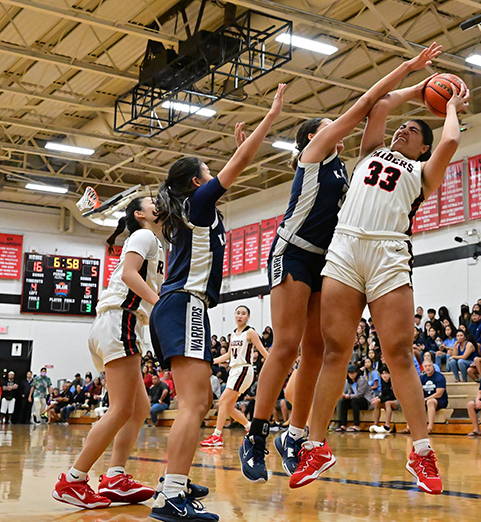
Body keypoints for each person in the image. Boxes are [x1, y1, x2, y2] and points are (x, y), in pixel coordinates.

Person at [240, 48, 441, 483]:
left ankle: (294, 435)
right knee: (287, 344)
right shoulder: (316, 153)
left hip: (329, 262)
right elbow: (369, 104)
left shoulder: (351, 171)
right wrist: (412, 77)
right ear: (316, 135)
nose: (338, 127)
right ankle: (255, 435)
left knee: (320, 350)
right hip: (293, 252)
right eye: (329, 125)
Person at [291, 50, 468, 496]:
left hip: (389, 251)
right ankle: (315, 446)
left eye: (415, 131)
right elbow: (382, 106)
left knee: (399, 354)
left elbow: (449, 144)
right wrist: (418, 89)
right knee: (335, 349)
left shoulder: (424, 171)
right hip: (345, 247)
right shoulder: (371, 152)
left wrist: (448, 109)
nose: (406, 128)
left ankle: (421, 451)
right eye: (406, 127)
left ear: (421, 147)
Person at [149, 86, 285, 521]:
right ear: (196, 182)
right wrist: (270, 116)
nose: (214, 176)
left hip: (181, 306)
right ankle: (171, 496)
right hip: (184, 303)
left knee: (198, 403)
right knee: (194, 404)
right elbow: (240, 165)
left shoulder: (194, 209)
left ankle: (176, 483)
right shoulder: (198, 204)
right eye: (208, 172)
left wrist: (240, 139)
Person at [52, 195, 165, 509]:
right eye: (152, 201)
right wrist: (162, 305)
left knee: (138, 408)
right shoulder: (143, 235)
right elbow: (130, 274)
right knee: (120, 410)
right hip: (121, 320)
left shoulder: (155, 240)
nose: (159, 203)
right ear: (140, 214)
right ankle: (73, 480)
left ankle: (115, 476)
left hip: (119, 324)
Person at [200, 306, 269, 447]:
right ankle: (250, 427)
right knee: (229, 407)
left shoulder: (250, 332)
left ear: (248, 317)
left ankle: (217, 436)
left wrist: (278, 366)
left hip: (244, 369)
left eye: (243, 314)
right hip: (234, 371)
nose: (240, 316)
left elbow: (263, 351)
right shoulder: (233, 334)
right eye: (238, 313)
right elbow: (228, 355)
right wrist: (211, 361)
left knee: (223, 402)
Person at [335, 364, 375, 432]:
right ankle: (343, 425)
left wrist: (347, 396)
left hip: (367, 400)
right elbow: (350, 392)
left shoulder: (361, 380)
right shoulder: (349, 381)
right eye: (350, 373)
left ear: (357, 373)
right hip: (355, 399)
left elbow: (360, 394)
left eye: (353, 373)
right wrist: (345, 396)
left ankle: (356, 425)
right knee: (343, 402)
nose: (352, 375)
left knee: (354, 401)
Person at [420, 360, 448, 434]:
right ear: (423, 368)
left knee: (430, 401)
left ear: (433, 367)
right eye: (425, 366)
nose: (428, 368)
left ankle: (430, 427)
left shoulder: (439, 377)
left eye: (429, 366)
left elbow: (439, 394)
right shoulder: (422, 378)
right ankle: (409, 427)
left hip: (440, 400)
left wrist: (426, 399)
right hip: (426, 400)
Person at [369, 366, 399, 433]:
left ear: (390, 374)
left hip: (398, 401)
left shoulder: (394, 382)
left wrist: (380, 399)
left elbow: (393, 396)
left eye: (386, 373)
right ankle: (375, 424)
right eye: (382, 374)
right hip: (390, 400)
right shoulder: (383, 382)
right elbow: (384, 394)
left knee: (388, 403)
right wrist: (378, 399)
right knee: (378, 404)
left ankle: (387, 426)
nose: (384, 375)